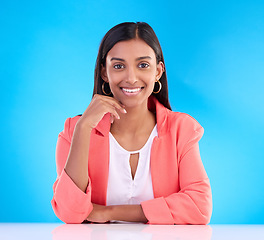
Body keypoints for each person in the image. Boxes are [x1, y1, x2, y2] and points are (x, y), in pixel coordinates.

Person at [51, 22, 212, 224]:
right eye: (118, 66)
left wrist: (109, 212)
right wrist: (83, 128)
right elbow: (69, 213)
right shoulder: (74, 130)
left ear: (158, 71)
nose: (131, 78)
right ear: (104, 72)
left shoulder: (182, 130)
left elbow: (199, 207)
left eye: (143, 65)